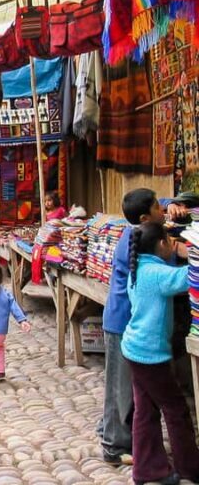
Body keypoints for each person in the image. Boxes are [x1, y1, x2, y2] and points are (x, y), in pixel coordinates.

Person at [123, 222, 199, 485]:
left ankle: (147, 469)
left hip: (134, 349)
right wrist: (192, 253)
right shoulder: (157, 274)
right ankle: (190, 468)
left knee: (145, 411)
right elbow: (190, 277)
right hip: (150, 355)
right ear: (161, 244)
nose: (173, 243)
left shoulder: (138, 268)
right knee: (176, 410)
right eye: (169, 239)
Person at [101, 188, 169, 466]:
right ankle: (113, 446)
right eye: (158, 207)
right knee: (120, 388)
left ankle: (109, 431)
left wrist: (174, 203)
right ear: (144, 218)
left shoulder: (136, 232)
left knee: (121, 385)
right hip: (121, 321)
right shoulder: (136, 242)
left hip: (125, 320)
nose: (162, 210)